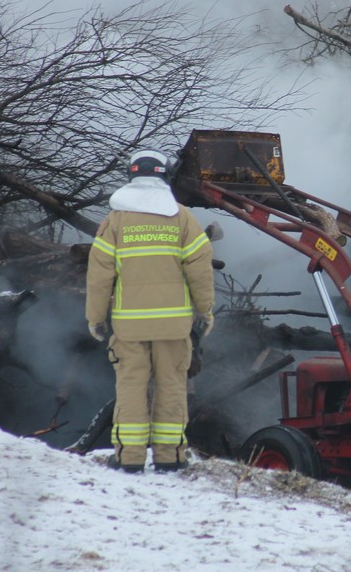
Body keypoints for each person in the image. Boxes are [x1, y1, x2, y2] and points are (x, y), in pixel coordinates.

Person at [85, 149, 215, 473]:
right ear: (163, 177)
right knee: (171, 386)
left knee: (131, 387)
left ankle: (128, 458)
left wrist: (96, 318)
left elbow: (99, 275)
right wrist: (205, 312)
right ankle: (170, 457)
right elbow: (200, 271)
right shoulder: (183, 218)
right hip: (174, 327)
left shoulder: (114, 221)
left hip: (129, 327)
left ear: (131, 177)